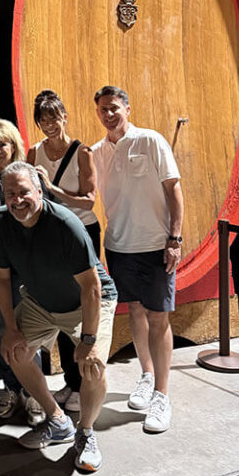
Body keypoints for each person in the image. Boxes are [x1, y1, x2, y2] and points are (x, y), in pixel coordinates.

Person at [0, 162, 117, 472]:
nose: (17, 201)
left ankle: (85, 433)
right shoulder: (0, 221)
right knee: (15, 352)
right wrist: (10, 328)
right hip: (40, 302)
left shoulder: (64, 224)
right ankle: (58, 421)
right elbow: (1, 278)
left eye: (24, 193)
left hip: (86, 301)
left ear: (39, 190)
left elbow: (92, 287)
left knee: (92, 365)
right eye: (10, 194)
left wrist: (87, 341)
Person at [91, 86, 184, 434]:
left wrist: (174, 238)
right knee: (133, 310)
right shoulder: (98, 152)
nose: (108, 114)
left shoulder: (151, 141)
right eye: (102, 109)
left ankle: (162, 394)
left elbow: (174, 188)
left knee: (159, 317)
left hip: (156, 245)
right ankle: (146, 375)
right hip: (118, 246)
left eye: (114, 108)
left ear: (128, 108)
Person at [27, 90, 99, 417]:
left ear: (64, 116)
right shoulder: (33, 153)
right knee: (60, 305)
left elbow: (89, 201)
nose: (49, 125)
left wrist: (53, 190)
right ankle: (71, 380)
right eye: (43, 120)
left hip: (82, 231)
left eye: (54, 117)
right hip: (51, 234)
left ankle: (84, 383)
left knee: (82, 305)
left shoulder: (82, 152)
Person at [0, 119, 44, 426]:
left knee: (31, 334)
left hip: (27, 270)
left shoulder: (28, 177)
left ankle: (35, 394)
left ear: (14, 146)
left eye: (3, 144)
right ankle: (11, 389)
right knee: (3, 331)